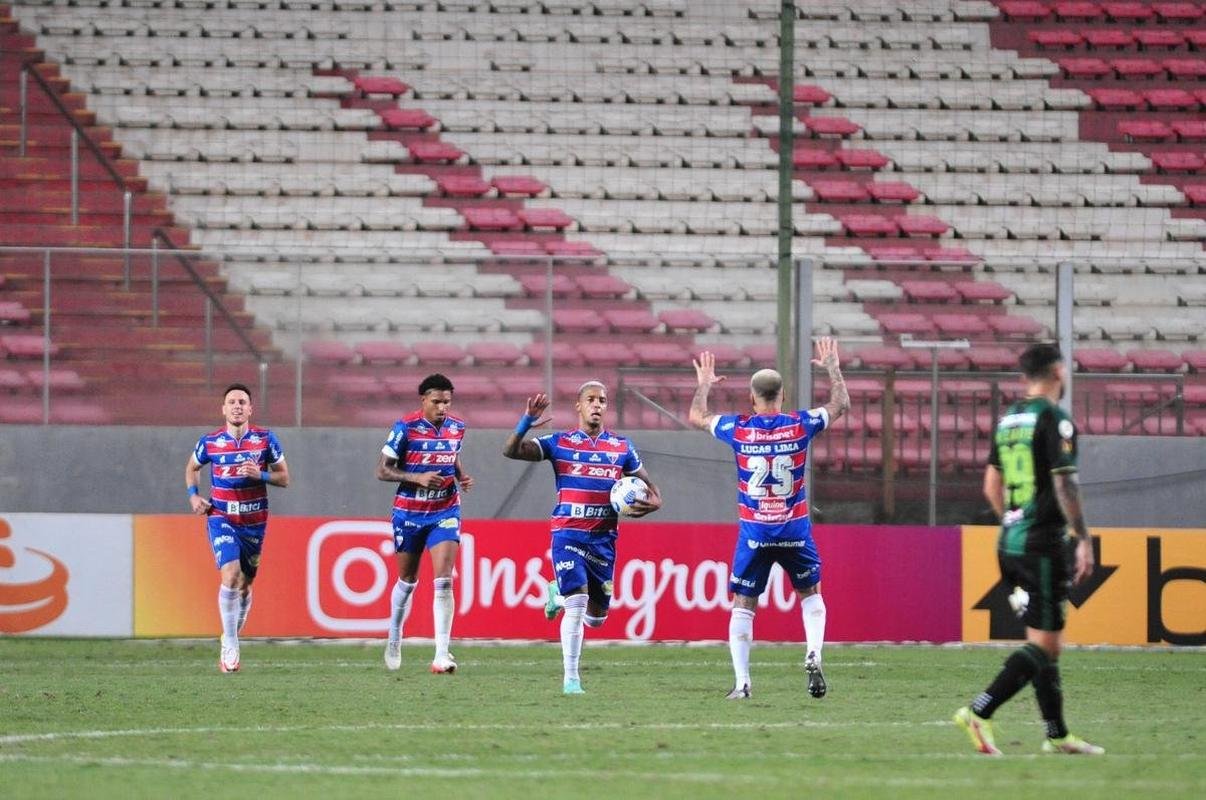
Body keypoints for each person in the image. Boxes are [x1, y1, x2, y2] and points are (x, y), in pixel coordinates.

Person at [954, 343, 1104, 756]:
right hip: (1042, 543)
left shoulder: (1008, 420)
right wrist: (1083, 539)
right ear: (1058, 370)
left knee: (1042, 641)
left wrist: (1013, 519)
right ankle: (979, 711)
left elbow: (990, 486)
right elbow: (1065, 483)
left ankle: (1057, 735)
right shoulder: (1054, 418)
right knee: (1045, 645)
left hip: (1011, 542)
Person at [688, 338, 849, 700]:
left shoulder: (739, 429)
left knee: (743, 603)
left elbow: (696, 417)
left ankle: (743, 683)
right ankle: (813, 652)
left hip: (755, 531)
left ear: (751, 397)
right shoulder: (801, 423)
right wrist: (832, 367)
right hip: (794, 529)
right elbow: (840, 404)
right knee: (811, 594)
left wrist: (704, 385)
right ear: (784, 395)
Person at [502, 381, 662, 695]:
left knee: (597, 619)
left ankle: (556, 595)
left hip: (603, 540)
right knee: (578, 603)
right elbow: (510, 451)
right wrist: (525, 424)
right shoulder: (560, 442)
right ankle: (571, 680)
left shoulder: (621, 447)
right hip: (568, 533)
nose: (597, 405)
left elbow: (652, 490)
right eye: (591, 399)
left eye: (602, 399)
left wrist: (656, 502)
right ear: (579, 405)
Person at [185, 382, 290, 673]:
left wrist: (261, 474)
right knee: (230, 576)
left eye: (242, 402)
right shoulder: (210, 442)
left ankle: (231, 630)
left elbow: (285, 478)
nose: (237, 406)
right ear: (223, 408)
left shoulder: (266, 439)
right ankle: (230, 642)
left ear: (250, 408)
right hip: (221, 517)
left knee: (245, 585)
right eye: (232, 402)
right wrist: (193, 496)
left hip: (254, 522)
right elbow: (192, 467)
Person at [377, 373, 474, 675]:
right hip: (409, 512)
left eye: (447, 401)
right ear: (423, 400)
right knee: (407, 581)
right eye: (437, 402)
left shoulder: (458, 428)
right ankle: (395, 633)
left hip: (444, 509)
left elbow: (452, 456)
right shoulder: (405, 427)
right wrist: (416, 477)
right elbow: (382, 470)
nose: (443, 407)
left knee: (444, 579)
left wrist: (461, 476)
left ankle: (441, 654)